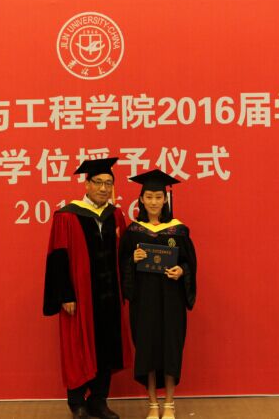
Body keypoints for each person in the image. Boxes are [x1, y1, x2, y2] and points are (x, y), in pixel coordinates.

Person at [43, 158, 133, 419]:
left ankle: (98, 400)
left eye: (108, 183)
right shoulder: (68, 215)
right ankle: (77, 402)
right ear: (87, 184)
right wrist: (66, 294)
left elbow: (124, 254)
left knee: (106, 347)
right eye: (98, 182)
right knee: (78, 347)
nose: (104, 188)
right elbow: (59, 257)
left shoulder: (116, 215)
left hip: (109, 296)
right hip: (80, 297)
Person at [118, 169, 197, 419]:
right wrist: (132, 259)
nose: (153, 202)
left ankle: (169, 403)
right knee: (148, 348)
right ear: (141, 200)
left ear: (165, 199)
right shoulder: (133, 232)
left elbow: (189, 264)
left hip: (172, 299)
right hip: (144, 301)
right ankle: (153, 404)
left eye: (158, 197)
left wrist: (181, 271)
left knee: (171, 347)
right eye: (149, 197)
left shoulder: (178, 231)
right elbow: (121, 265)